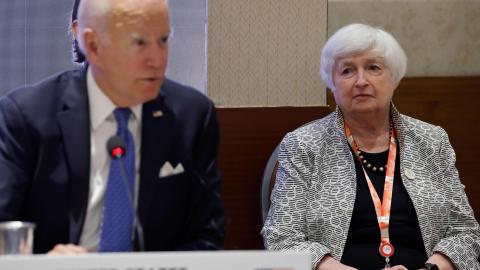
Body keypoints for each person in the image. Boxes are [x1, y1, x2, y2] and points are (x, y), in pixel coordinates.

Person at [0, 0, 224, 254]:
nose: (157, 59)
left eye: (163, 40)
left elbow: (206, 236)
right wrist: (43, 264)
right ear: (93, 46)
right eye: (139, 43)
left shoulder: (191, 116)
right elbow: (4, 231)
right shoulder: (27, 116)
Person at [261, 23, 480, 270]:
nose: (361, 81)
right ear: (331, 82)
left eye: (373, 68)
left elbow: (465, 232)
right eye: (347, 71)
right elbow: (282, 239)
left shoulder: (431, 140)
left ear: (394, 77)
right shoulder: (303, 145)